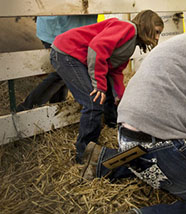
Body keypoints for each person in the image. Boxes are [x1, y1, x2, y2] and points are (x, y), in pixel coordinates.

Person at [80, 0, 186, 214]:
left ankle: (106, 162)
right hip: (164, 145)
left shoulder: (180, 40)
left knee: (151, 154)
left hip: (126, 135)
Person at [17, 0, 123, 112]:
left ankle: (52, 110)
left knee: (61, 72)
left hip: (74, 31)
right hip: (57, 27)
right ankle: (28, 108)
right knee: (62, 71)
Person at [50, 11, 164, 164]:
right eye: (156, 32)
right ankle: (84, 155)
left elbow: (115, 71)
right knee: (94, 101)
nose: (157, 38)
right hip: (68, 53)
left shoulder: (132, 43)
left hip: (76, 56)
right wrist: (99, 85)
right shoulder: (127, 28)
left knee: (107, 96)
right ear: (146, 24)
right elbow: (97, 48)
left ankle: (112, 125)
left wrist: (121, 97)